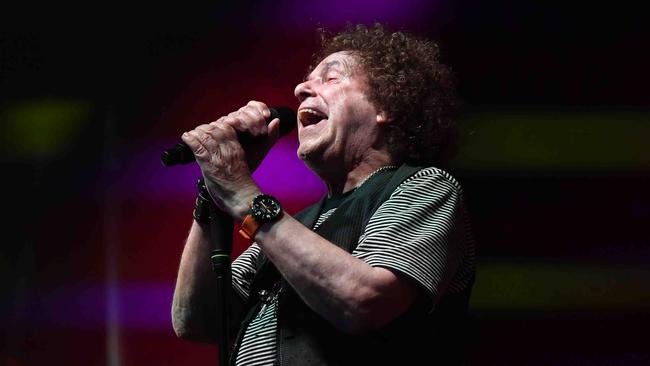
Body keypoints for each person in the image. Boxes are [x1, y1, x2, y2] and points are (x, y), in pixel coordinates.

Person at [171, 23, 475, 365]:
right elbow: (196, 321)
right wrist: (214, 194)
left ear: (386, 106)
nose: (301, 89)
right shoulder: (292, 226)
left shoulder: (427, 186)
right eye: (306, 80)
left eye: (331, 78)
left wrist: (243, 194)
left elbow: (364, 301)